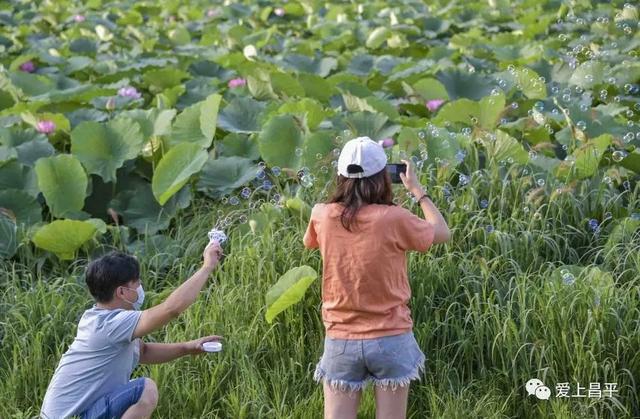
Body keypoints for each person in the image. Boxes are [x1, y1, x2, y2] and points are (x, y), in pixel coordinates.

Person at [303, 136, 450, 419]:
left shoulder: (321, 214)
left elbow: (309, 241)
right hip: (391, 335)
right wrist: (417, 190)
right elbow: (442, 233)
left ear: (341, 176)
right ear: (384, 177)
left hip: (340, 337)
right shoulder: (394, 217)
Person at [40, 242, 224, 419]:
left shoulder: (99, 319)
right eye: (136, 283)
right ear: (122, 292)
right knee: (145, 389)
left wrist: (187, 348)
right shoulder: (110, 323)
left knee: (136, 390)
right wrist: (207, 267)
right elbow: (171, 309)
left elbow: (143, 351)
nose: (141, 286)